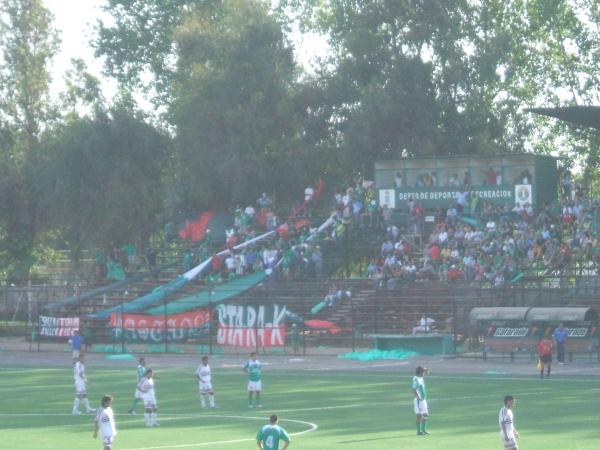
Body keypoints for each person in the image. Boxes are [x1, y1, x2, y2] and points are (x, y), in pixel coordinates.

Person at [412, 366, 430, 435]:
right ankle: (418, 431)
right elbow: (413, 389)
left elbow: (424, 369)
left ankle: (424, 430)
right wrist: (418, 396)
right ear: (420, 372)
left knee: (425, 414)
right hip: (418, 400)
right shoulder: (416, 379)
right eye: (423, 372)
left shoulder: (420, 377)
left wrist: (426, 369)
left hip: (423, 399)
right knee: (419, 415)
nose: (424, 373)